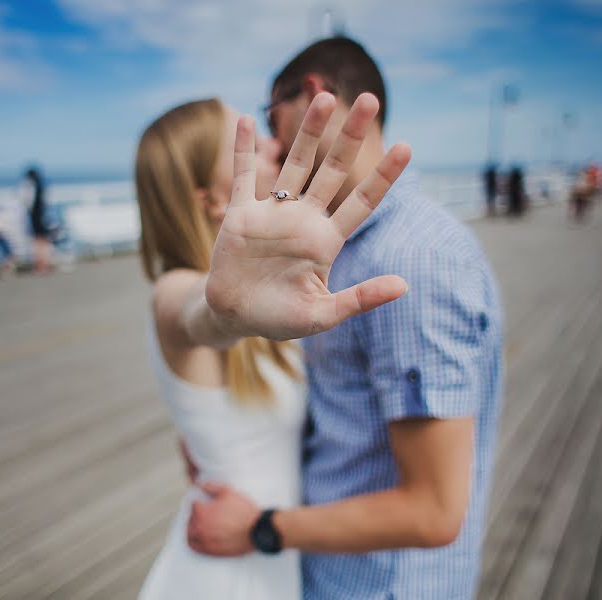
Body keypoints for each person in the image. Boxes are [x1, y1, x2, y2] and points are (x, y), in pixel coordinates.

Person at [186, 37, 503, 600]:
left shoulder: (411, 260)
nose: (270, 139)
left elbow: (433, 510)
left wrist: (260, 529)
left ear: (312, 95)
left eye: (271, 115)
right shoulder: (350, 243)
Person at [134, 94, 406, 598]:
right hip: (223, 577)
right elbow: (196, 314)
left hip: (263, 559)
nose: (275, 147)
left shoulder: (267, 301)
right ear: (211, 199)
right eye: (252, 149)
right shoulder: (174, 292)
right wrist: (222, 310)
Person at [21, 166, 55, 274]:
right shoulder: (41, 186)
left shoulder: (30, 186)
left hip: (35, 218)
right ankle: (46, 264)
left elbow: (27, 203)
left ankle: (40, 266)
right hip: (43, 216)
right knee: (44, 241)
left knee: (38, 242)